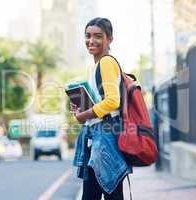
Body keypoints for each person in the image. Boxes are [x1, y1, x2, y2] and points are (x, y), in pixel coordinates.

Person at [71, 17, 131, 200]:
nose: (91, 40)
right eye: (88, 36)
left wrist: (85, 114)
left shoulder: (106, 62)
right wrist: (80, 108)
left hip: (105, 138)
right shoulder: (96, 67)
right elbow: (102, 101)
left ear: (109, 39)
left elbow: (113, 101)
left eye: (98, 36)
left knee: (107, 194)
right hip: (96, 137)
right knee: (93, 194)